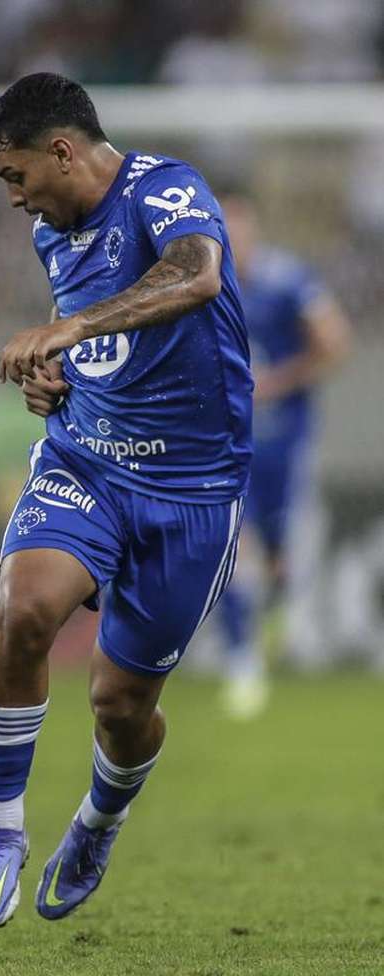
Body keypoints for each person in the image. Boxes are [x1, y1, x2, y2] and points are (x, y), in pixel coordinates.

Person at [0, 73, 253, 929]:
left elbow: (195, 278)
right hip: (85, 464)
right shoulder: (55, 232)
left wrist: (70, 332)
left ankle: (98, 822)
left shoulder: (165, 190)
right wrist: (57, 378)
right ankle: (1, 831)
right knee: (23, 615)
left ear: (61, 151)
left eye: (16, 177)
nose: (14, 199)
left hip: (192, 492)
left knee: (121, 708)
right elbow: (94, 337)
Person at [216, 190, 351, 719]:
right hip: (226, 448)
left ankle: (271, 615)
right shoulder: (199, 288)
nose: (232, 239)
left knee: (276, 554)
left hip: (283, 443)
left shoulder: (288, 280)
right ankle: (241, 664)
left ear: (254, 229)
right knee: (229, 548)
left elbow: (335, 342)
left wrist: (277, 381)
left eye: (239, 227)